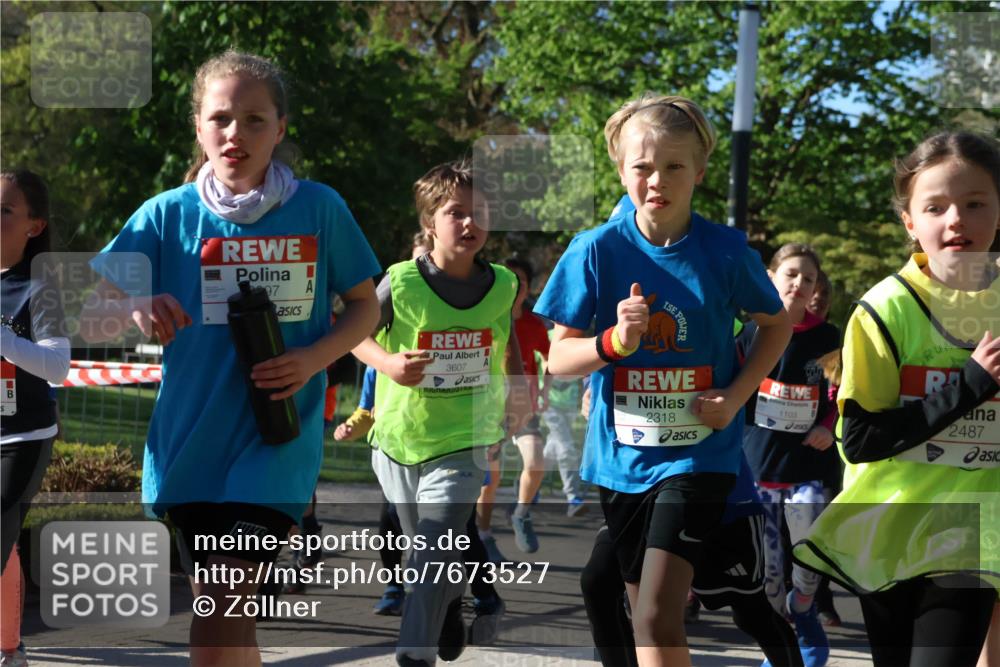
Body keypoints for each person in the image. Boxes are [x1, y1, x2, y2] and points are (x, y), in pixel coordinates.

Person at [83, 51, 381, 667]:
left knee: (217, 614)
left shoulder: (319, 207)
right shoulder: (166, 215)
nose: (234, 134)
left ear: (280, 128)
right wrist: (138, 302)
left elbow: (364, 307)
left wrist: (312, 360)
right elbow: (94, 309)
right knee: (228, 621)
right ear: (198, 127)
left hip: (273, 445)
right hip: (189, 445)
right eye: (220, 118)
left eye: (253, 119)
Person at [535, 94, 791, 667]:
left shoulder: (725, 251)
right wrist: (612, 344)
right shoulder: (594, 250)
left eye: (674, 166)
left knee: (655, 615)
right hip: (620, 461)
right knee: (633, 606)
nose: (657, 180)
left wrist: (737, 395)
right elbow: (557, 358)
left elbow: (775, 325)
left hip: (701, 457)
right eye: (642, 167)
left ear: (699, 171)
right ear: (622, 170)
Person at [795, 131, 1000, 667]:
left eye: (975, 203)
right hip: (888, 523)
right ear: (910, 222)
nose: (956, 219)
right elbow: (861, 441)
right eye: (936, 207)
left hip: (971, 529)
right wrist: (971, 383)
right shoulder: (886, 308)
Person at [352, 159, 530, 666]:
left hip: (464, 443)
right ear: (430, 222)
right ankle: (449, 612)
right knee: (428, 561)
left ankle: (414, 656)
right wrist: (387, 361)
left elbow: (507, 342)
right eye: (457, 212)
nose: (471, 223)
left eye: (480, 212)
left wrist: (519, 393)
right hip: (399, 443)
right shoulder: (401, 282)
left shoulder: (502, 284)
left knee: (431, 558)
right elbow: (353, 334)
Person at [739, 243, 840, 667]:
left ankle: (805, 607)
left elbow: (840, 392)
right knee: (770, 575)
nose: (800, 284)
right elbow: (734, 390)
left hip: (808, 466)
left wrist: (827, 425)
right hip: (760, 466)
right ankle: (782, 647)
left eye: (809, 278)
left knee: (810, 544)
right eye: (792, 274)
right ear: (771, 277)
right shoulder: (749, 332)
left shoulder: (828, 336)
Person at [0, 170, 70, 667]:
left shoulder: (39, 286)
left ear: (34, 225)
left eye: (5, 211)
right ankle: (10, 648)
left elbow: (58, 366)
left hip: (23, 435)